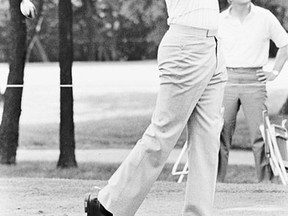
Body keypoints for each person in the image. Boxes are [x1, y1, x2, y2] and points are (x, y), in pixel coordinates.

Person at [84, 0, 227, 215]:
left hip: (213, 44)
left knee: (207, 138)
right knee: (163, 134)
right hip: (186, 46)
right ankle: (108, 206)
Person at [217, 0, 288, 183]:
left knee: (261, 134)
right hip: (227, 81)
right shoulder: (219, 20)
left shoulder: (264, 16)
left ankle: (266, 183)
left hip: (254, 81)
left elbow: (284, 43)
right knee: (219, 133)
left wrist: (274, 72)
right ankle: (215, 183)